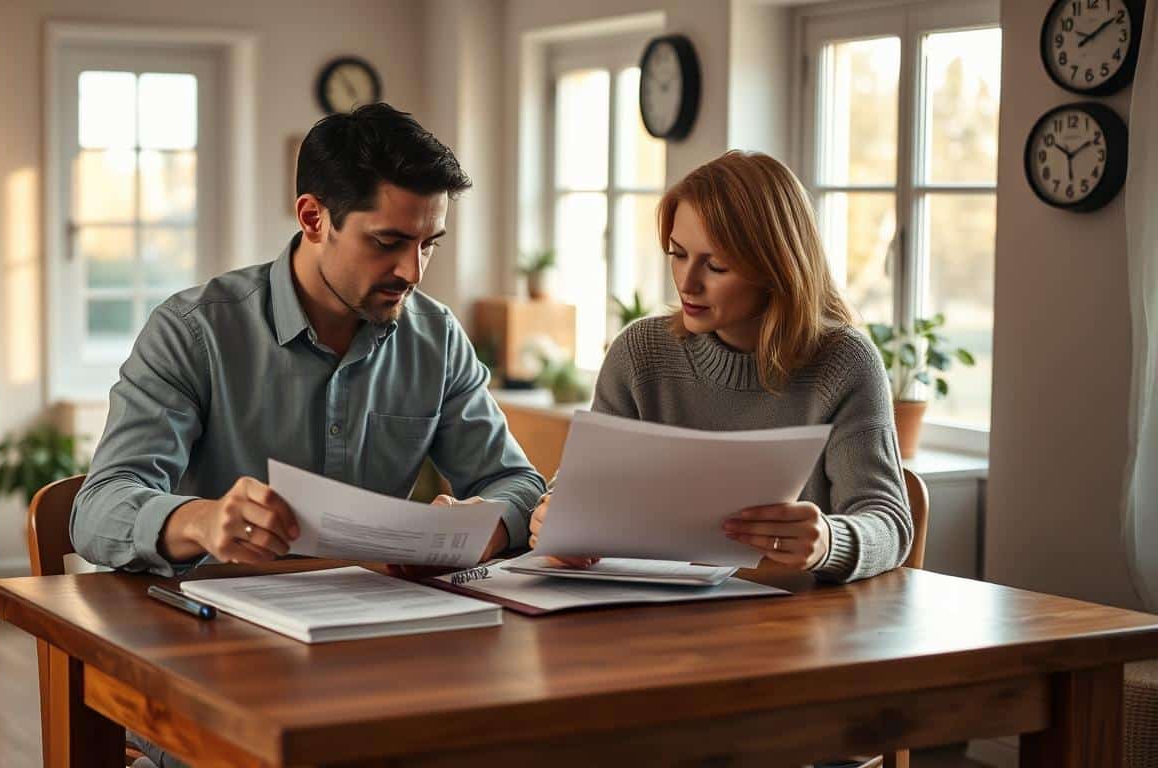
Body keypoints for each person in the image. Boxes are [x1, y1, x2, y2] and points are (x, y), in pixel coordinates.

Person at [71, 102, 545, 579]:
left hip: (382, 624)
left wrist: (491, 525)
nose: (412, 272)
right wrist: (201, 519)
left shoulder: (436, 337)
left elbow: (517, 482)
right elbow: (97, 509)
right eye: (387, 243)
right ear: (314, 218)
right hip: (218, 632)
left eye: (429, 244)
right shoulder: (192, 332)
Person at [528, 151, 911, 583]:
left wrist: (828, 540)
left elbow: (889, 523)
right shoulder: (640, 353)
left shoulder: (844, 363)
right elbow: (583, 485)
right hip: (652, 618)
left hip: (793, 624)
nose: (687, 283)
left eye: (716, 265)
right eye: (677, 254)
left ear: (776, 268)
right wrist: (557, 516)